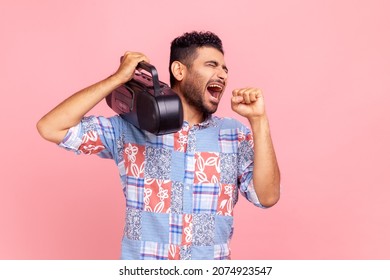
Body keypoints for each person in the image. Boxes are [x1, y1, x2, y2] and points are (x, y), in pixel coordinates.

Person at [37, 31, 280, 260]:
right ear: (179, 70)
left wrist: (258, 121)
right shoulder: (130, 128)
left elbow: (267, 197)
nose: (223, 74)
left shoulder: (235, 134)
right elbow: (51, 127)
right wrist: (117, 79)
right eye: (211, 65)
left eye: (225, 68)